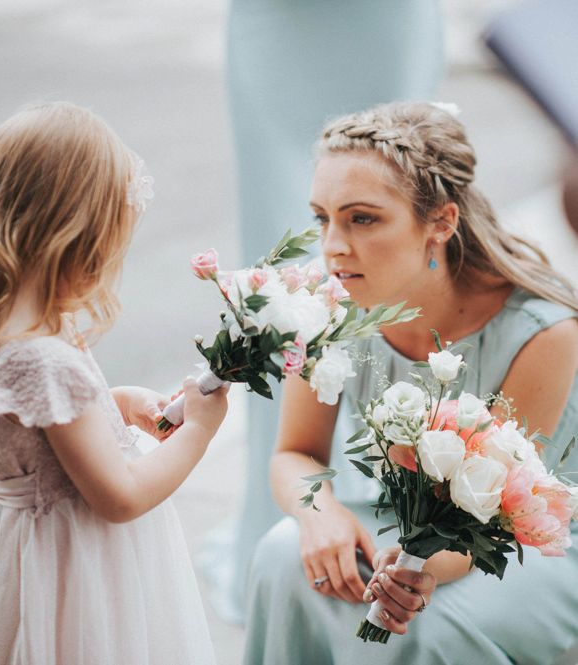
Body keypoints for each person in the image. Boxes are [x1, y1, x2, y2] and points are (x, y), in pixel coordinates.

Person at [244, 101, 578, 664]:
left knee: (429, 629)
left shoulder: (543, 333)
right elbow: (294, 454)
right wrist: (317, 514)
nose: (333, 246)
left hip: (520, 544)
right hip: (397, 521)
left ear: (441, 223)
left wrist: (419, 570)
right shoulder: (328, 308)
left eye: (362, 218)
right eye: (323, 217)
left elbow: (492, 517)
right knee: (283, 556)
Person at [0, 102, 228, 665]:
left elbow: (28, 437)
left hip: (17, 554)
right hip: (71, 565)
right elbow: (120, 496)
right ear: (75, 235)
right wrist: (201, 433)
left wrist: (115, 405)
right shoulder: (45, 356)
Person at [214, 0, 444, 622]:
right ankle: (294, 516)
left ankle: (417, 512)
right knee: (300, 261)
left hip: (383, 22)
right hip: (282, 25)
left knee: (393, 203)